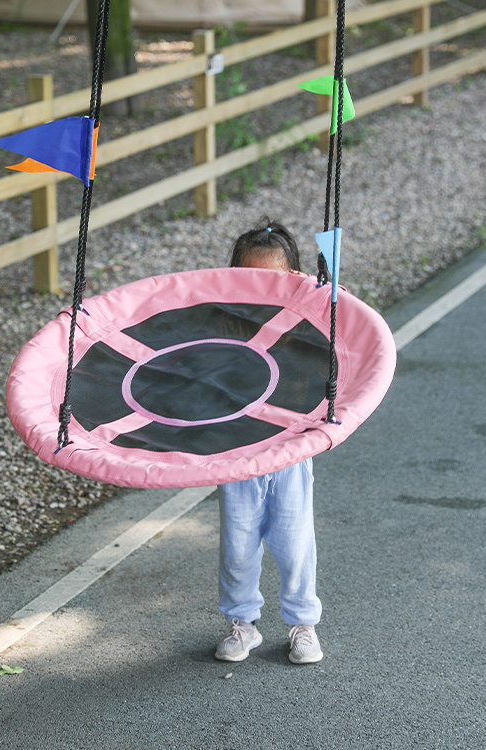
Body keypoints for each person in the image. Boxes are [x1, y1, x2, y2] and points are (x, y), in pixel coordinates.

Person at [215, 218, 323, 665]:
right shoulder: (219, 324)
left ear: (293, 279)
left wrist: (325, 297)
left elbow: (340, 355)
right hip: (238, 450)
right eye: (251, 277)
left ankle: (303, 624)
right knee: (238, 545)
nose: (262, 288)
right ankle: (243, 624)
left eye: (273, 278)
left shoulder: (308, 321)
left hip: (290, 450)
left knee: (294, 542)